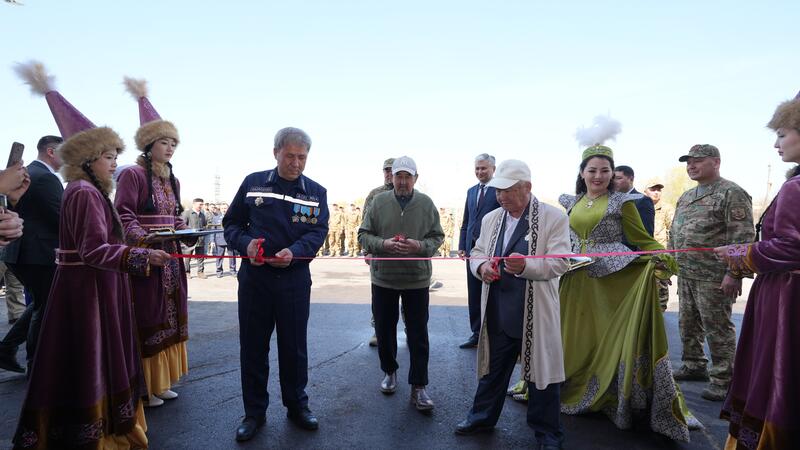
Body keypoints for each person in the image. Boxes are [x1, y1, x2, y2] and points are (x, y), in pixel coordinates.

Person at [12, 60, 170, 449]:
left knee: (90, 363)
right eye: (108, 156)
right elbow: (92, 249)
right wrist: (139, 258)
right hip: (86, 292)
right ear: (86, 160)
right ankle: (93, 435)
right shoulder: (83, 192)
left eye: (116, 154)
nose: (116, 161)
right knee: (88, 363)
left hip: (96, 287)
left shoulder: (93, 191)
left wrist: (136, 251)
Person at [557, 117, 697, 441]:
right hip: (575, 281)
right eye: (592, 170)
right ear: (582, 172)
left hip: (612, 283)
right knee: (574, 338)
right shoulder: (570, 202)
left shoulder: (624, 202)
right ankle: (566, 386)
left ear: (612, 173)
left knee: (607, 342)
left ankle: (608, 396)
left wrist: (665, 259)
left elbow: (643, 240)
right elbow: (563, 238)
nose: (598, 176)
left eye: (605, 170)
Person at [454, 160, 570, 449]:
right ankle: (481, 417)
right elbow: (478, 252)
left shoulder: (554, 218)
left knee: (541, 378)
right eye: (498, 191)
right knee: (493, 371)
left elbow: (560, 261)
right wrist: (481, 269)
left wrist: (525, 266)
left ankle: (547, 434)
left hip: (534, 312)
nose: (501, 196)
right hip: (497, 310)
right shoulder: (492, 218)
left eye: (507, 190)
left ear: (527, 188)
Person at [224, 127, 328, 442]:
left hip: (294, 281)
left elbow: (317, 232)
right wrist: (245, 245)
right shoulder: (253, 183)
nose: (296, 163)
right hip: (256, 281)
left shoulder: (316, 192)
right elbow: (231, 224)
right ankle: (254, 413)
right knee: (253, 348)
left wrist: (294, 253)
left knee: (294, 348)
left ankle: (297, 406)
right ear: (275, 153)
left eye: (302, 157)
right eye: (290, 156)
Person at [714, 93, 800, 449]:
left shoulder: (795, 187)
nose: (776, 143)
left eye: (782, 133)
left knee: (776, 375)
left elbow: (792, 247)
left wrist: (738, 254)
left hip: (786, 299)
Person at [114, 77, 191, 407]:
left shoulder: (172, 177)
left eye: (173, 142)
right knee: (148, 316)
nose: (170, 147)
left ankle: (162, 382)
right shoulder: (131, 174)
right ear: (148, 145)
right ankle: (145, 386)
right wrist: (145, 243)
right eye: (164, 142)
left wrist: (183, 230)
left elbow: (174, 214)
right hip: (146, 258)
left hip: (170, 258)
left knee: (171, 313)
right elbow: (123, 215)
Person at [358, 156, 444, 412]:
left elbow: (437, 236)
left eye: (408, 176)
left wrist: (420, 246)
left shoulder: (426, 204)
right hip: (383, 277)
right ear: (392, 178)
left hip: (416, 279)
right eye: (399, 176)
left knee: (418, 334)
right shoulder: (378, 201)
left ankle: (419, 387)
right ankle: (389, 371)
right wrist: (383, 245)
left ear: (416, 178)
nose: (403, 181)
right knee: (385, 330)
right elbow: (363, 234)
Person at [670, 144, 755, 401]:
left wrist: (735, 273)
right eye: (688, 162)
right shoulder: (686, 196)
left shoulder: (732, 193)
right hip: (686, 272)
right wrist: (669, 259)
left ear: (715, 162)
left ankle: (724, 379)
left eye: (698, 161)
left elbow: (742, 236)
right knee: (687, 323)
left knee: (717, 328)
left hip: (714, 275)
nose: (691, 166)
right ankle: (694, 365)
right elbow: (676, 230)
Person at [0, 135, 62, 375]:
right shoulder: (44, 176)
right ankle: (36, 365)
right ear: (51, 152)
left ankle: (7, 349)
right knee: (44, 307)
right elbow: (62, 218)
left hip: (21, 252)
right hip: (38, 254)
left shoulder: (32, 173)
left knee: (40, 303)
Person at [458, 153, 501, 349]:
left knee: (492, 292)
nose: (480, 172)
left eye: (483, 168)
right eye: (477, 168)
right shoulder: (471, 191)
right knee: (473, 293)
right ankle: (476, 333)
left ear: (493, 169)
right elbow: (467, 221)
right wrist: (462, 245)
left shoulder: (500, 190)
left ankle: (493, 334)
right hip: (471, 250)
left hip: (491, 250)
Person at [363, 157, 394, 346]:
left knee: (407, 293)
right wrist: (367, 250)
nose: (390, 173)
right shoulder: (374, 194)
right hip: (379, 252)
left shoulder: (411, 193)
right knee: (380, 296)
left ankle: (408, 329)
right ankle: (377, 331)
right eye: (387, 170)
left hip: (403, 254)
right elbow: (365, 224)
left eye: (393, 169)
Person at [644, 178, 675, 311]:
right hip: (642, 254)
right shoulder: (638, 206)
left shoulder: (666, 208)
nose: (656, 192)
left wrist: (670, 255)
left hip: (660, 254)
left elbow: (674, 230)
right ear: (645, 191)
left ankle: (660, 317)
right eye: (653, 189)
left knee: (661, 288)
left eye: (659, 190)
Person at [613, 165, 655, 237]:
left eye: (618, 178)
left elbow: (646, 233)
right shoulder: (611, 200)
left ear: (631, 179)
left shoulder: (643, 201)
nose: (614, 182)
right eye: (612, 179)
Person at [181, 198, 207, 278]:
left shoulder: (202, 215)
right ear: (194, 204)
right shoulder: (187, 213)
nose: (201, 206)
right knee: (188, 257)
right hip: (189, 240)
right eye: (200, 204)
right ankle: (187, 272)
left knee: (200, 257)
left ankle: (200, 272)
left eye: (202, 204)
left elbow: (204, 225)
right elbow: (182, 226)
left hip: (200, 240)